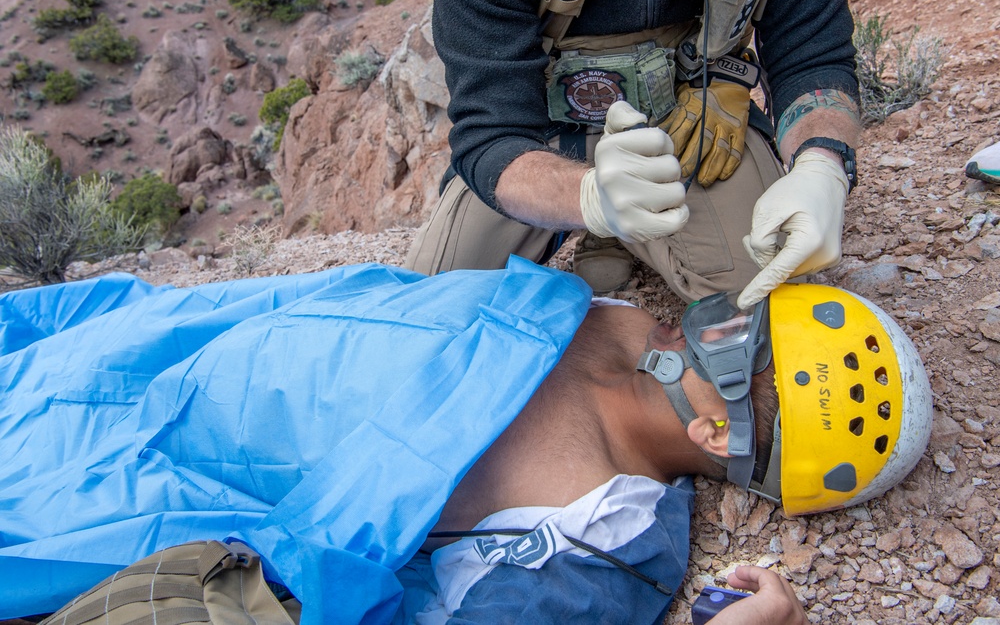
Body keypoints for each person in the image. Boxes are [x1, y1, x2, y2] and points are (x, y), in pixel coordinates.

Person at [0, 261, 931, 624]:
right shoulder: (601, 305)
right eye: (752, 318)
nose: (719, 322)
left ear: (717, 431)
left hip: (153, 467)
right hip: (174, 355)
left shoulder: (602, 531)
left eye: (744, 352)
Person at [406, 0, 861, 310]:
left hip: (690, 116)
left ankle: (630, 234)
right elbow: (491, 131)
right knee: (437, 305)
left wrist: (822, 163)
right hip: (537, 132)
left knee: (764, 297)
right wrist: (589, 198)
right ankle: (599, 225)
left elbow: (812, 54)